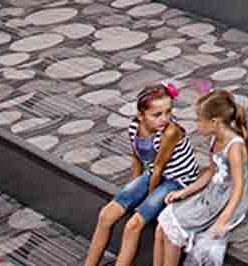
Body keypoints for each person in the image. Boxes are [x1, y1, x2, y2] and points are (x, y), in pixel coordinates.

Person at [84, 84, 207, 266]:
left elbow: (158, 168)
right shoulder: (134, 127)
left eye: (168, 112)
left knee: (133, 225)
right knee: (105, 215)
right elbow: (137, 158)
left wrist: (145, 200)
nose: (165, 119)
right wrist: (132, 190)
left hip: (177, 180)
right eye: (157, 115)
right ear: (141, 116)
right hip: (155, 174)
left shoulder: (170, 132)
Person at [153, 88, 248, 266]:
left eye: (199, 120)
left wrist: (223, 219)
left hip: (227, 200)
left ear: (215, 122)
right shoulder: (215, 137)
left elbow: (238, 187)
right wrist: (184, 192)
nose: (197, 124)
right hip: (213, 193)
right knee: (162, 226)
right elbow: (211, 171)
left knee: (173, 233)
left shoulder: (234, 147)